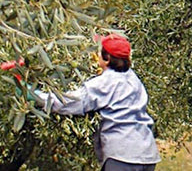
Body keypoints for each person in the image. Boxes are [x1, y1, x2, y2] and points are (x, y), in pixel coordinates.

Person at [34, 33, 161, 171]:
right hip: (147, 154)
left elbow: (70, 102)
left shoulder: (103, 83)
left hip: (122, 156)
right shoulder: (134, 79)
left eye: (99, 52)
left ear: (107, 59)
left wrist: (35, 95)